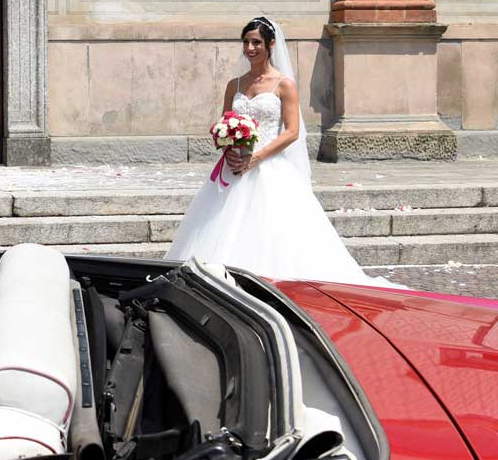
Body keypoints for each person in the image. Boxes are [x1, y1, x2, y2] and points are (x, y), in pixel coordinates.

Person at [166, 16, 393, 286]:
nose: (250, 48)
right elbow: (225, 123)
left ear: (271, 44)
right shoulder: (234, 85)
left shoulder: (283, 84)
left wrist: (257, 157)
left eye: (256, 42)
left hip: (268, 165)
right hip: (234, 166)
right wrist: (228, 149)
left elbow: (292, 131)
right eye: (246, 42)